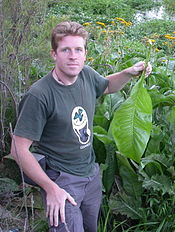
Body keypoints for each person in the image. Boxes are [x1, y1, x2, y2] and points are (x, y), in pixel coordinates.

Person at [10, 21, 151, 232]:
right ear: (54, 54)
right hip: (62, 179)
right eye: (65, 49)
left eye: (78, 50)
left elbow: (106, 86)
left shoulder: (85, 74)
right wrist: (51, 189)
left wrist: (129, 73)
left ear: (85, 54)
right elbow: (18, 150)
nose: (73, 56)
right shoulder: (39, 95)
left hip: (90, 173)